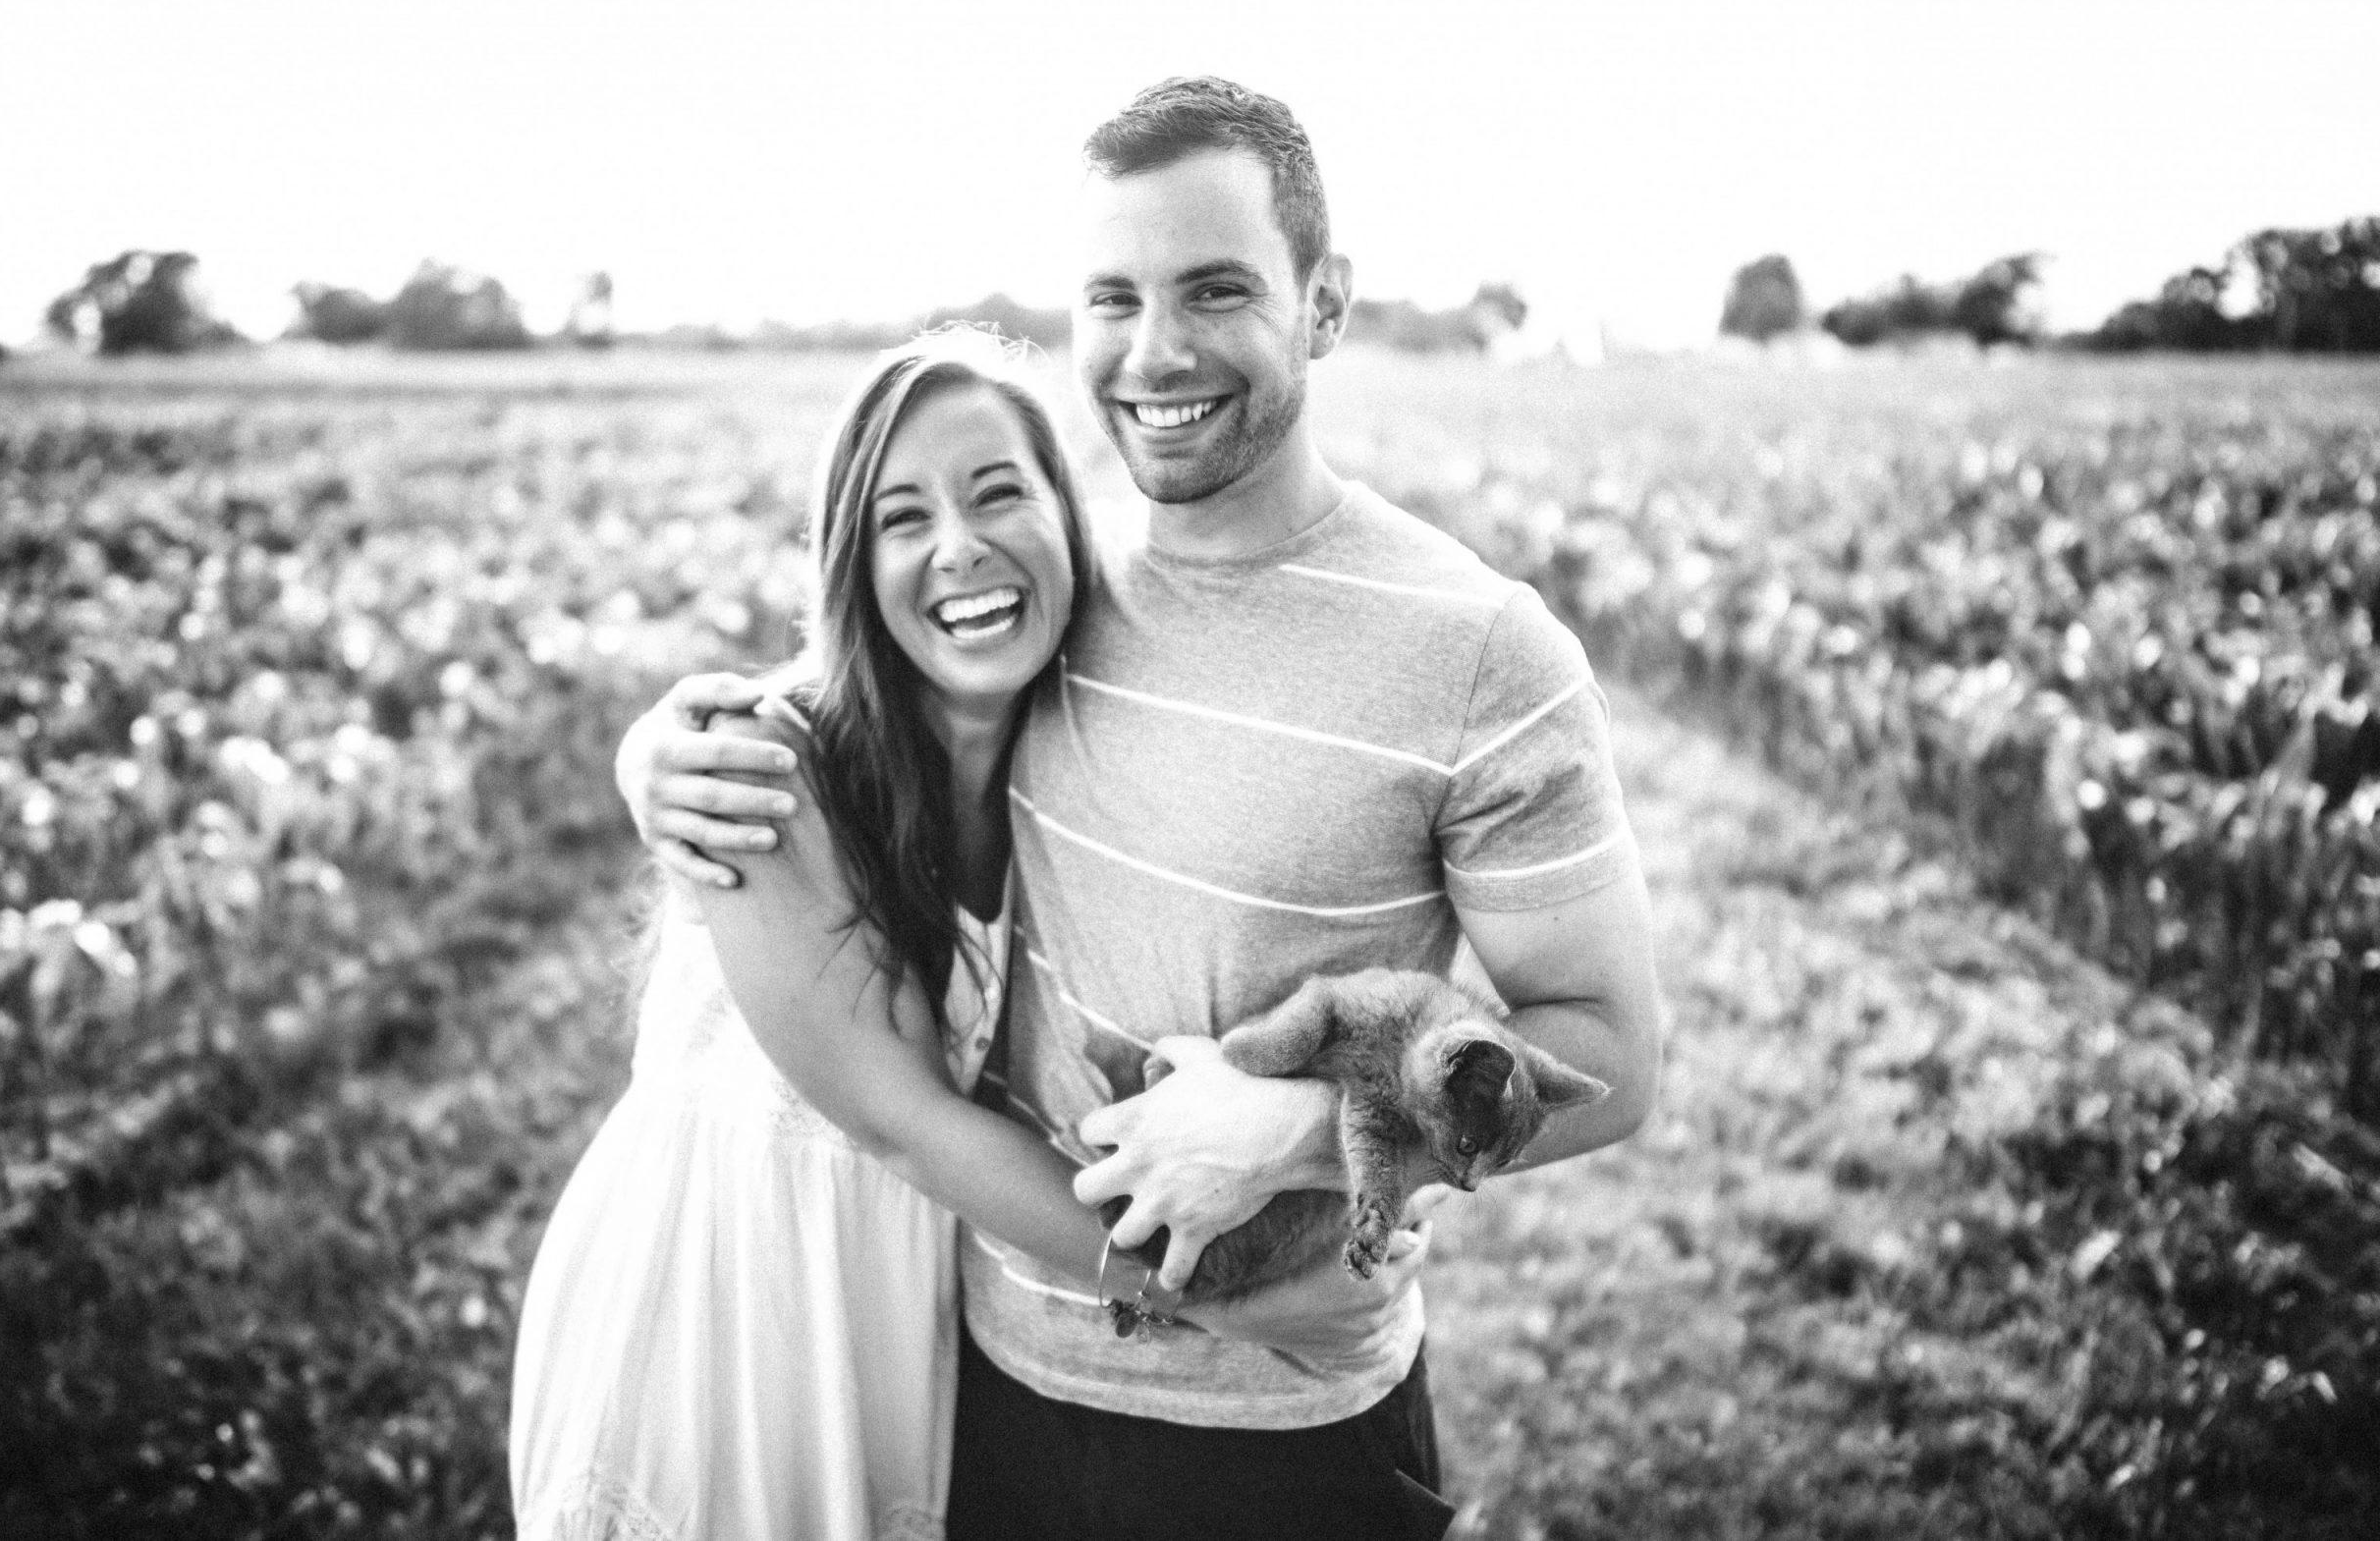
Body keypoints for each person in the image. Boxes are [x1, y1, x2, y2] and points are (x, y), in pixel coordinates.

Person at [621, 78, 1665, 1539]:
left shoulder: (1481, 650)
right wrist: (660, 749)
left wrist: (1301, 1130)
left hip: (1288, 1420)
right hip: (992, 1381)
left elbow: (1612, 1054)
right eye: (1113, 296)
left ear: (1324, 302)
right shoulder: (1057, 586)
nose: (1155, 349)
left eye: (1215, 288)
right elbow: (852, 699)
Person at [510, 329, 1421, 1541]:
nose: (959, 547)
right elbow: (902, 1121)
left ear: (1066, 517)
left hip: (902, 1314)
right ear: (852, 564)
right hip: (724, 1309)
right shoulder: (767, 770)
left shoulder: (1065, 754)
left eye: (998, 493)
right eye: (903, 518)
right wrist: (1235, 1306)